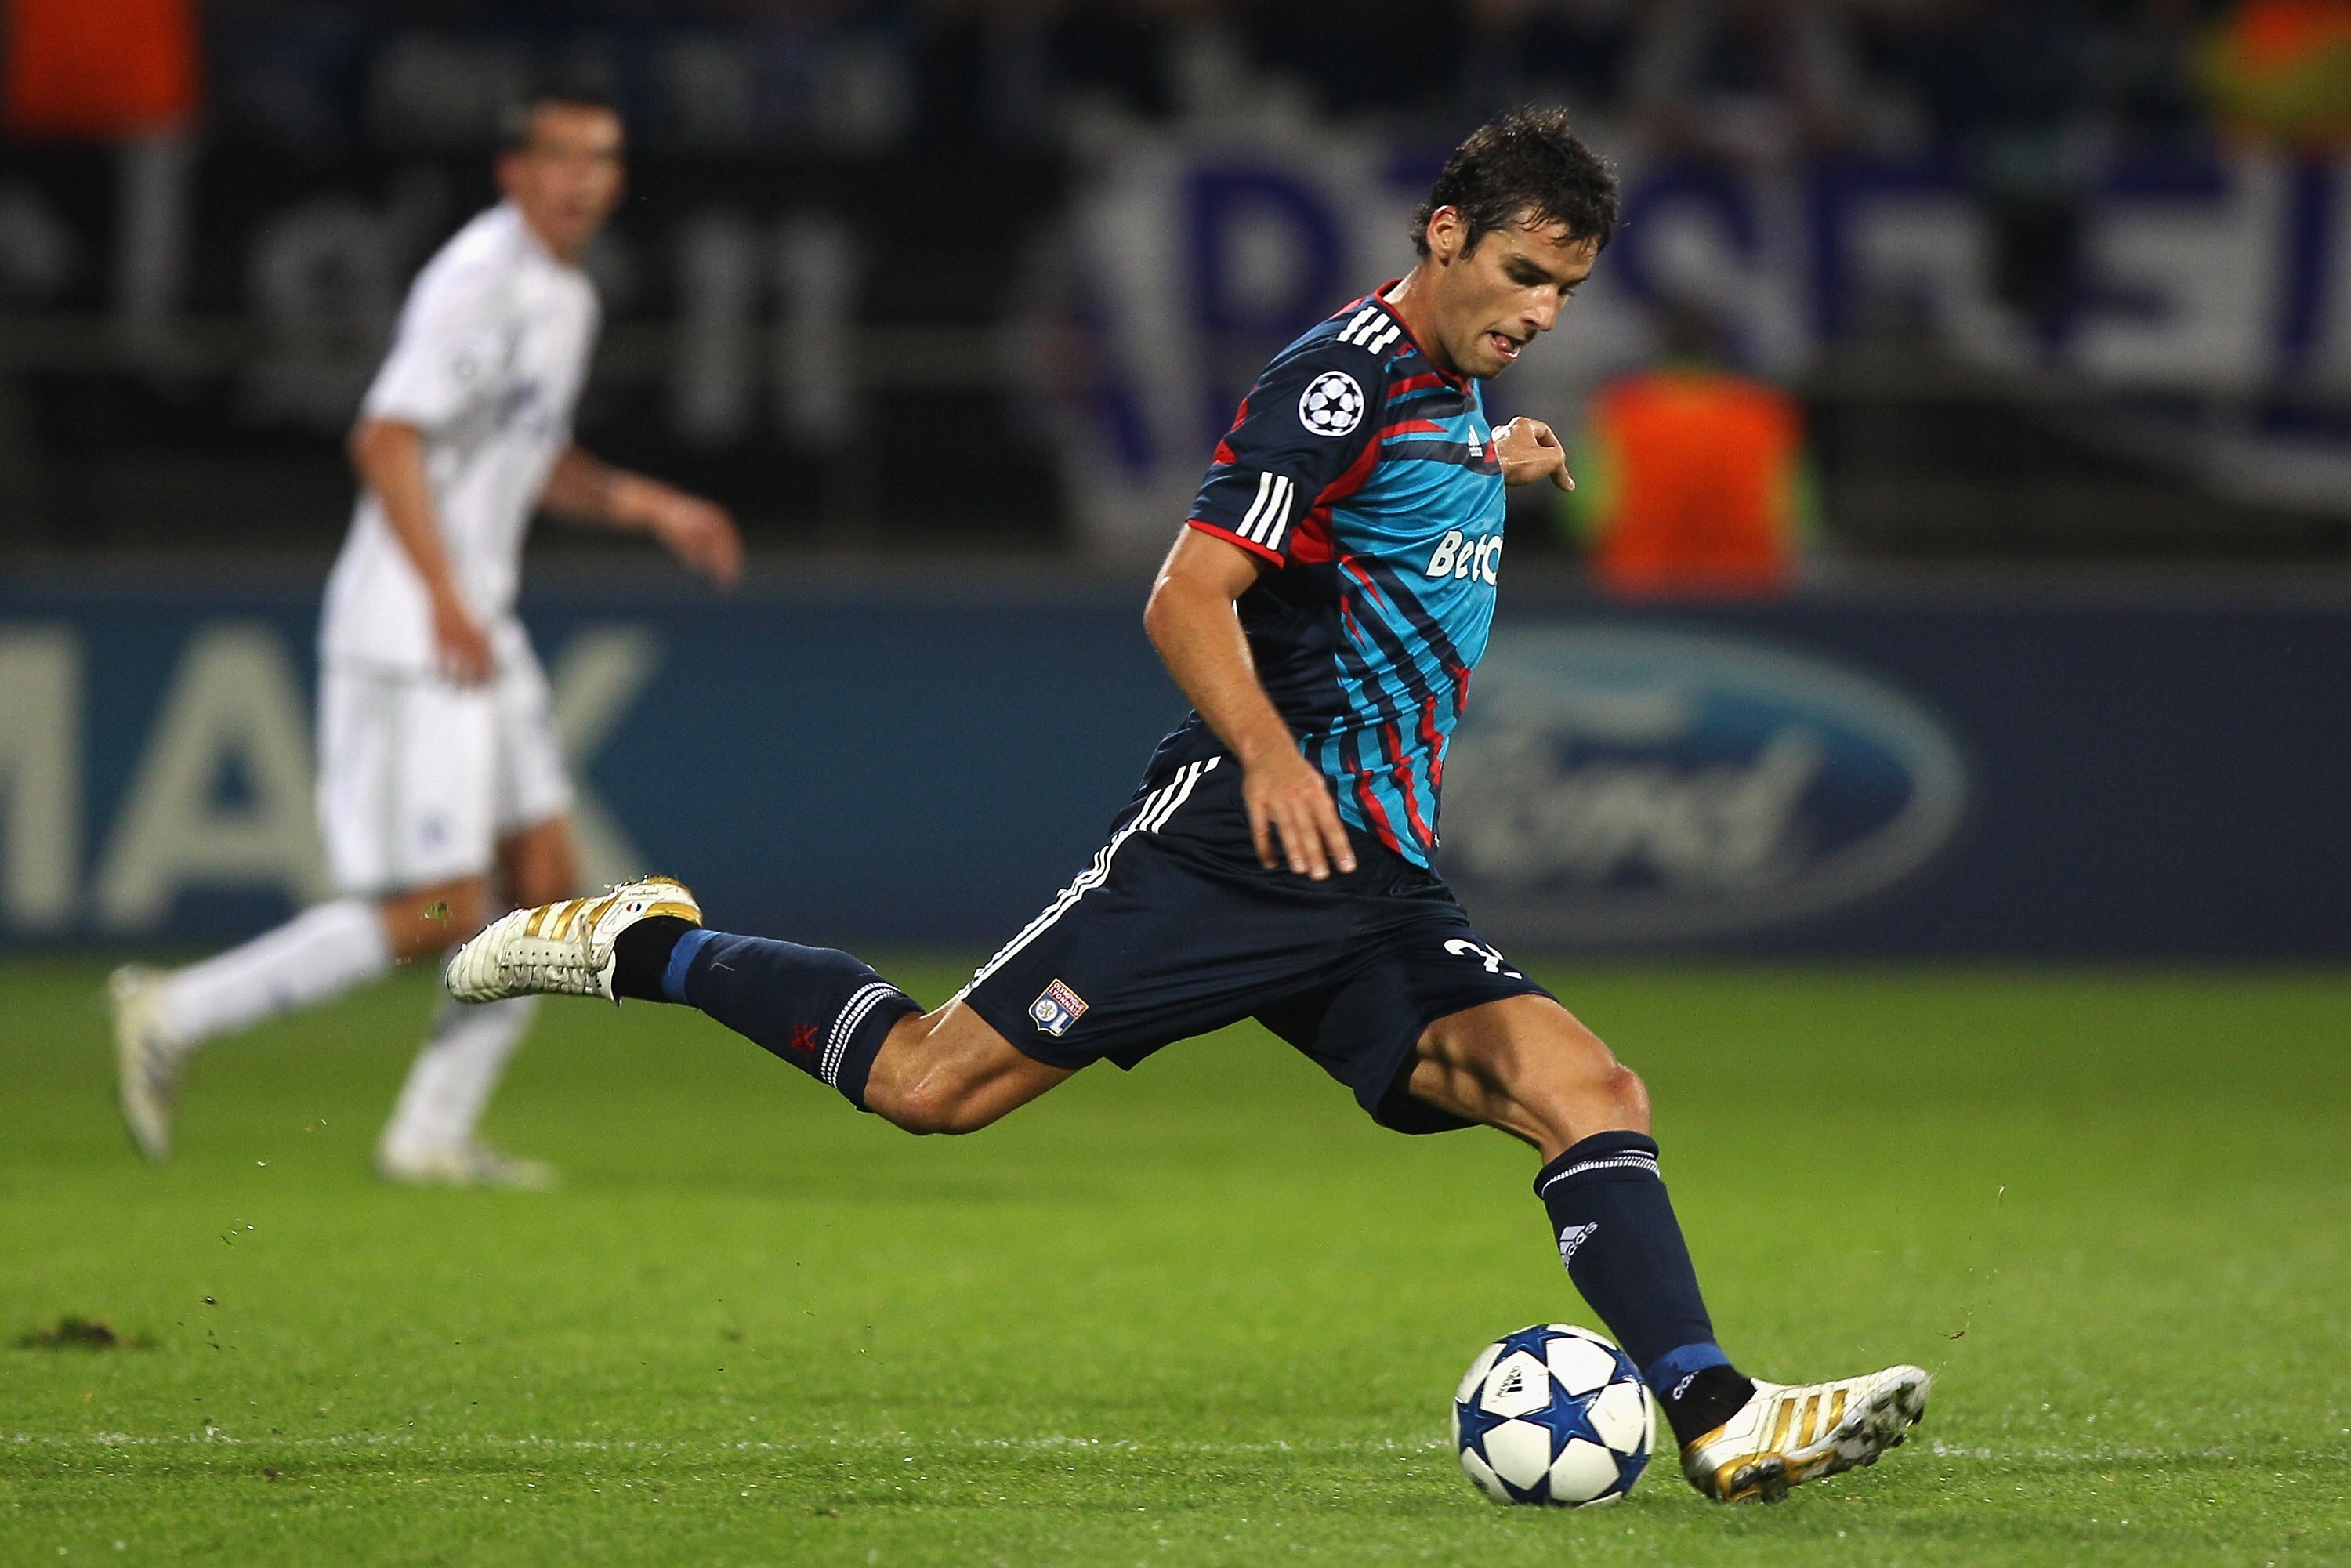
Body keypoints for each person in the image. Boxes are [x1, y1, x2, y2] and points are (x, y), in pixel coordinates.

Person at [444, 110, 1928, 1500]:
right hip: (1236, 841)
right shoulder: (1332, 376)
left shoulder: (1448, 394)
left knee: (1587, 1092)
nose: (1542, 312)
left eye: (1566, 291)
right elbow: (1189, 590)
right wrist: (1275, 756)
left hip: (1373, 876)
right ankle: (647, 947)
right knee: (924, 1087)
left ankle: (1722, 1415)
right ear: (1442, 233)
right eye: (1523, 274)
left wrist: (1498, 461)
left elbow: (1381, 499)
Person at [110, 81, 743, 1187]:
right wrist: (446, 593)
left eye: (601, 156)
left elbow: (524, 451)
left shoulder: (564, 299)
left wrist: (647, 504)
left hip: (472, 621)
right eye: (560, 154)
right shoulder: (482, 279)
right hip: (413, 628)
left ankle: (429, 1136)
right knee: (436, 912)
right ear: (514, 170)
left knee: (552, 892)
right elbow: (387, 438)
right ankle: (176, 1009)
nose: (582, 175)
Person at [1565, 298, 1814, 596]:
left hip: (1637, 593)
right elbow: (1797, 516)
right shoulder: (1766, 414)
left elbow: (1584, 515)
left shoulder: (1618, 411)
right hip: (1749, 593)